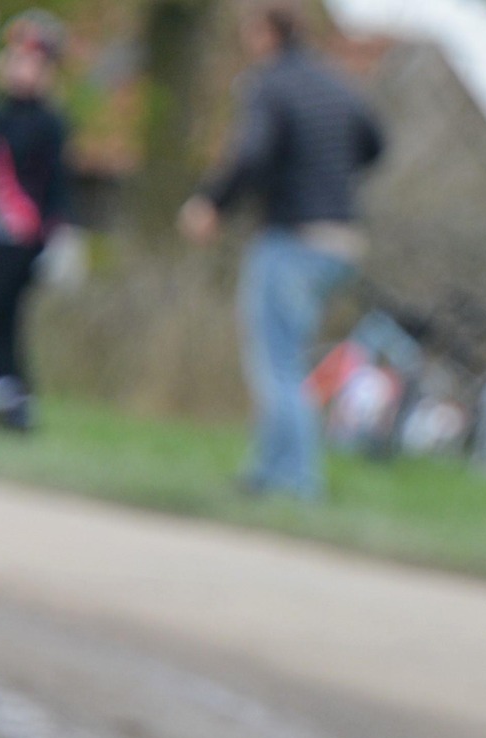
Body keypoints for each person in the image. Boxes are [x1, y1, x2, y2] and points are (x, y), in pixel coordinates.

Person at [179, 0, 383, 498]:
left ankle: (297, 482)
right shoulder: (335, 83)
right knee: (286, 356)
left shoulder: (268, 83)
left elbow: (251, 153)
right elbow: (376, 141)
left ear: (266, 32)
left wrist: (212, 203)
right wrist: (331, 177)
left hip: (294, 235)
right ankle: (266, 474)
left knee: (278, 362)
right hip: (342, 239)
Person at [0, 8, 69, 430]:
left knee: (0, 322)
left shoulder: (47, 123)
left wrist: (61, 236)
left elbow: (58, 186)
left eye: (32, 62)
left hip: (22, 238)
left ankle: (13, 404)